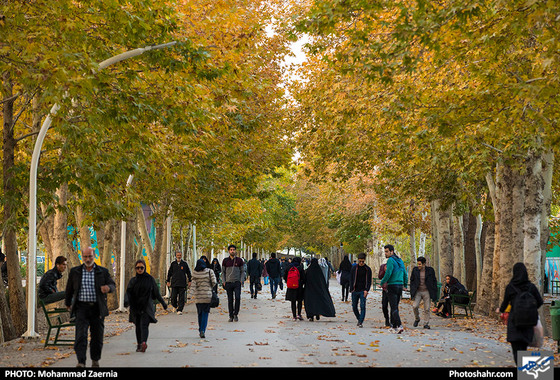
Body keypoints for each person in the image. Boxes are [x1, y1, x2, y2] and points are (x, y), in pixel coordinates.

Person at [65, 247, 116, 368]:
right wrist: (68, 303)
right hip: (81, 308)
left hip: (97, 308)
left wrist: (108, 288)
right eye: (85, 257)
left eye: (90, 257)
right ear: (82, 257)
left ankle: (95, 360)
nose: (88, 259)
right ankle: (81, 362)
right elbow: (69, 289)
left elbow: (112, 284)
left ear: (94, 256)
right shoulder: (75, 272)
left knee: (97, 337)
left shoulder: (102, 271)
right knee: (80, 335)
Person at [497, 263, 544, 365]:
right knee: (523, 347)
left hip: (515, 321)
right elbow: (540, 301)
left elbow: (504, 305)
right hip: (528, 322)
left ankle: (519, 367)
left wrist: (500, 310)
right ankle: (524, 370)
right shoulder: (531, 287)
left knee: (516, 348)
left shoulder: (510, 287)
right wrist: (529, 309)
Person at [125, 259, 167, 352]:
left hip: (146, 307)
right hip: (135, 307)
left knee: (144, 325)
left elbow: (156, 292)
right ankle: (139, 344)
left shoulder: (150, 279)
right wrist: (126, 302)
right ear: (135, 269)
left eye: (141, 267)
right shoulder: (133, 280)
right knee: (138, 326)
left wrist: (163, 303)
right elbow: (128, 292)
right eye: (137, 268)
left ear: (145, 268)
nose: (140, 269)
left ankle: (143, 342)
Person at [380, 244, 407, 333]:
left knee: (394, 307)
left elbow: (388, 273)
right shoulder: (400, 260)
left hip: (392, 285)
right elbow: (405, 273)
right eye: (385, 252)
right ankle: (394, 326)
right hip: (400, 285)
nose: (385, 253)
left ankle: (399, 325)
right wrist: (405, 284)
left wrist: (382, 282)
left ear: (392, 251)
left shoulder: (391, 260)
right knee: (395, 306)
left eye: (387, 251)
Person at [191, 258, 217, 338]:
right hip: (207, 296)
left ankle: (200, 329)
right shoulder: (209, 271)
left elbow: (193, 285)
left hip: (198, 297)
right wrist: (208, 287)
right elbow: (214, 282)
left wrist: (189, 295)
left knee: (200, 313)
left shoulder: (195, 273)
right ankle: (203, 330)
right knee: (205, 314)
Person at [409, 256, 438, 329]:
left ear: (424, 264)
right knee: (415, 306)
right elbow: (412, 280)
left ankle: (426, 323)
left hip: (427, 291)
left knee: (427, 308)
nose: (418, 266)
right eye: (418, 264)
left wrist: (434, 292)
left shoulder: (430, 270)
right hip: (418, 291)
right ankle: (417, 318)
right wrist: (412, 290)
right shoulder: (415, 270)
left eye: (420, 264)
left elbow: (434, 281)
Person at [222, 244, 245, 322]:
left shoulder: (239, 260)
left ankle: (236, 314)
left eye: (233, 250)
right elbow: (223, 272)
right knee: (230, 299)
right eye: (231, 250)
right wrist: (224, 281)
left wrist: (241, 280)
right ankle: (231, 315)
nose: (232, 251)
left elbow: (242, 271)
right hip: (228, 283)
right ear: (228, 251)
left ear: (235, 251)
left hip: (237, 282)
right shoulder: (225, 261)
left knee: (238, 298)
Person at [166, 251, 192, 315]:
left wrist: (189, 281)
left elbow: (188, 273)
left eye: (180, 255)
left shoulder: (184, 264)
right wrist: (168, 281)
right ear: (176, 256)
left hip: (182, 283)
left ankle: (180, 309)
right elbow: (169, 273)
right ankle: (174, 306)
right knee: (173, 297)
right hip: (174, 283)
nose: (179, 256)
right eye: (178, 255)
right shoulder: (173, 264)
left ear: (181, 256)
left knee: (181, 298)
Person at [349, 253, 372, 327]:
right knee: (354, 307)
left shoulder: (368, 269)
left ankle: (360, 322)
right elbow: (351, 278)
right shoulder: (354, 268)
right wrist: (351, 288)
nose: (361, 263)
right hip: (355, 290)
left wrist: (366, 290)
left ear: (364, 260)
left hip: (363, 291)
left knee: (362, 306)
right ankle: (359, 318)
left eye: (362, 261)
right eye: (360, 261)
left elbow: (369, 281)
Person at [284, 256, 305, 321]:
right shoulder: (300, 267)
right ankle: (299, 314)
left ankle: (294, 316)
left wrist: (288, 282)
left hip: (291, 287)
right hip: (299, 286)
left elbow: (285, 276)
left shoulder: (289, 267)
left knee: (293, 301)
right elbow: (303, 277)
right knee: (299, 301)